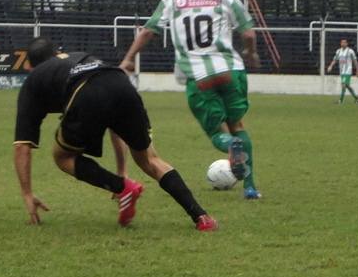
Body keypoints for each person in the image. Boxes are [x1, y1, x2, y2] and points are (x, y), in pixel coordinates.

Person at [13, 37, 218, 231]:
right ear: (58, 52)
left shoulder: (33, 81)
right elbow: (114, 123)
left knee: (62, 156)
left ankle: (123, 187)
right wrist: (122, 168)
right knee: (150, 159)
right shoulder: (78, 56)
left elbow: (23, 145)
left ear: (30, 67)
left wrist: (27, 193)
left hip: (86, 93)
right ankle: (201, 217)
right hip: (120, 82)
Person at [120, 0, 262, 200]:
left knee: (218, 132)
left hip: (198, 77)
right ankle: (249, 188)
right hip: (231, 71)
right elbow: (249, 33)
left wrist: (129, 59)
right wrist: (251, 54)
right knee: (238, 125)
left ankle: (230, 146)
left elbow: (148, 32)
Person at [326, 39, 358, 104]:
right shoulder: (338, 51)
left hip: (348, 70)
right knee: (347, 85)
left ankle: (340, 100)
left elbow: (355, 61)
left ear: (347, 44)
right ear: (340, 43)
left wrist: (357, 70)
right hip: (342, 71)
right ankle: (357, 99)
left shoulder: (350, 51)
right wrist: (330, 66)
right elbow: (335, 59)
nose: (343, 44)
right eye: (342, 42)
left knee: (343, 84)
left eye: (344, 42)